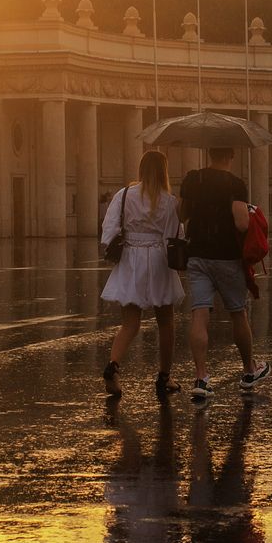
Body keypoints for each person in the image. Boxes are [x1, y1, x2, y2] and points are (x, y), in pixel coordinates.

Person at [180, 147, 269, 399]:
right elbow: (241, 222)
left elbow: (182, 214)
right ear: (231, 155)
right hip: (227, 256)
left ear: (210, 153)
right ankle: (249, 370)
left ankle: (201, 377)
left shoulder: (193, 179)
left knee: (199, 313)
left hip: (197, 255)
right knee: (237, 313)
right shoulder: (235, 184)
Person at [101, 150, 185, 397]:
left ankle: (113, 366)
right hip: (158, 259)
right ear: (163, 172)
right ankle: (164, 377)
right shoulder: (169, 201)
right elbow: (175, 235)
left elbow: (109, 229)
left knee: (130, 324)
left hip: (130, 258)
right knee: (166, 323)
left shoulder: (124, 195)